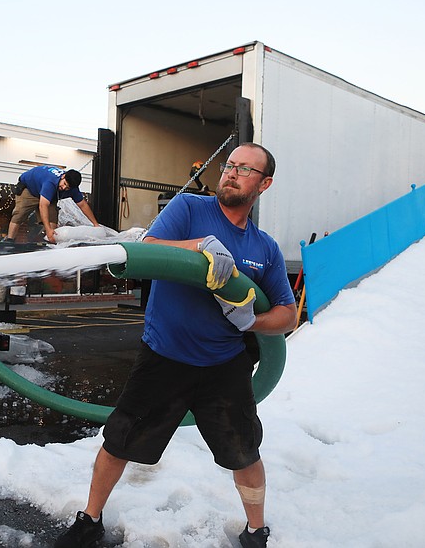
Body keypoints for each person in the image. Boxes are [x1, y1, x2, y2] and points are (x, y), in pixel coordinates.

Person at [54, 142, 296, 548]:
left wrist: (252, 320)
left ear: (264, 183)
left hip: (225, 365)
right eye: (229, 165)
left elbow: (287, 315)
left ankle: (256, 529)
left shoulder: (264, 248)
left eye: (245, 169)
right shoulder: (189, 209)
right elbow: (146, 248)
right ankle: (90, 518)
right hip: (164, 357)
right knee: (119, 441)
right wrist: (198, 247)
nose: (231, 173)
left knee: (245, 452)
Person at [5, 165, 99, 243]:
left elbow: (82, 205)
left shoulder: (73, 189)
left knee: (53, 218)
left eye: (67, 188)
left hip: (51, 195)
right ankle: (9, 240)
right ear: (63, 176)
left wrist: (95, 224)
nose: (64, 187)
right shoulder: (50, 182)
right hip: (30, 188)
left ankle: (49, 242)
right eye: (64, 184)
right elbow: (43, 205)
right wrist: (48, 229)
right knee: (20, 213)